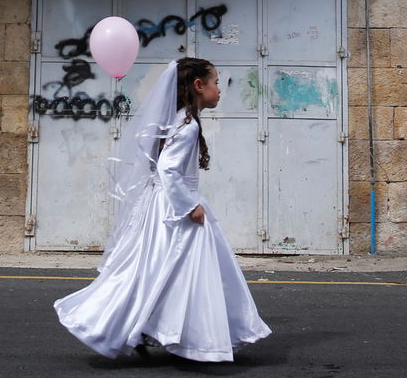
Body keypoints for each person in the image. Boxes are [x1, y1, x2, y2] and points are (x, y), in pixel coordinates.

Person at [55, 57, 271, 361]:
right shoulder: (188, 124)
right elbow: (169, 169)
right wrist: (189, 205)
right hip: (175, 208)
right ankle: (183, 336)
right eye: (216, 82)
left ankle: (165, 330)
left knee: (167, 271)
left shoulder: (181, 119)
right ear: (199, 86)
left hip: (164, 204)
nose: (220, 90)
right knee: (180, 272)